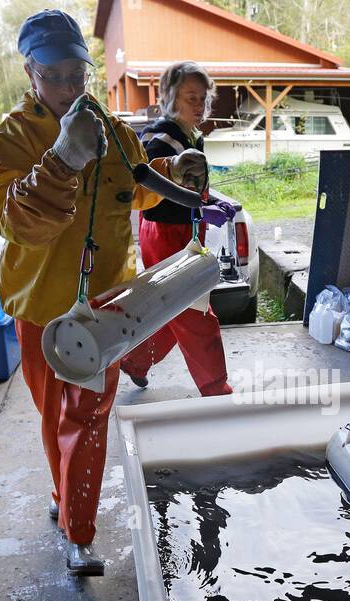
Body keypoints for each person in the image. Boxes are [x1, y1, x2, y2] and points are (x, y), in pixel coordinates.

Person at [0, 10, 209, 576]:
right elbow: (16, 222)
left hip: (103, 312)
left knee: (87, 419)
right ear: (30, 72)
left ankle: (78, 534)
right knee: (51, 414)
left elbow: (134, 189)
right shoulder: (13, 136)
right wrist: (61, 158)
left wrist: (176, 173)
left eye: (75, 74)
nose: (66, 88)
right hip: (39, 310)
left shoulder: (111, 128)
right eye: (52, 75)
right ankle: (65, 499)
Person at [120, 61, 238, 395]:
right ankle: (216, 389)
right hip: (164, 232)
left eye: (203, 98)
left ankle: (135, 360)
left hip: (182, 230)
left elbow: (189, 185)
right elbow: (153, 187)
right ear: (170, 98)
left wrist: (210, 198)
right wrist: (201, 206)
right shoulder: (160, 141)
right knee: (197, 311)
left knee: (173, 306)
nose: (199, 106)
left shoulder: (189, 136)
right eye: (191, 98)